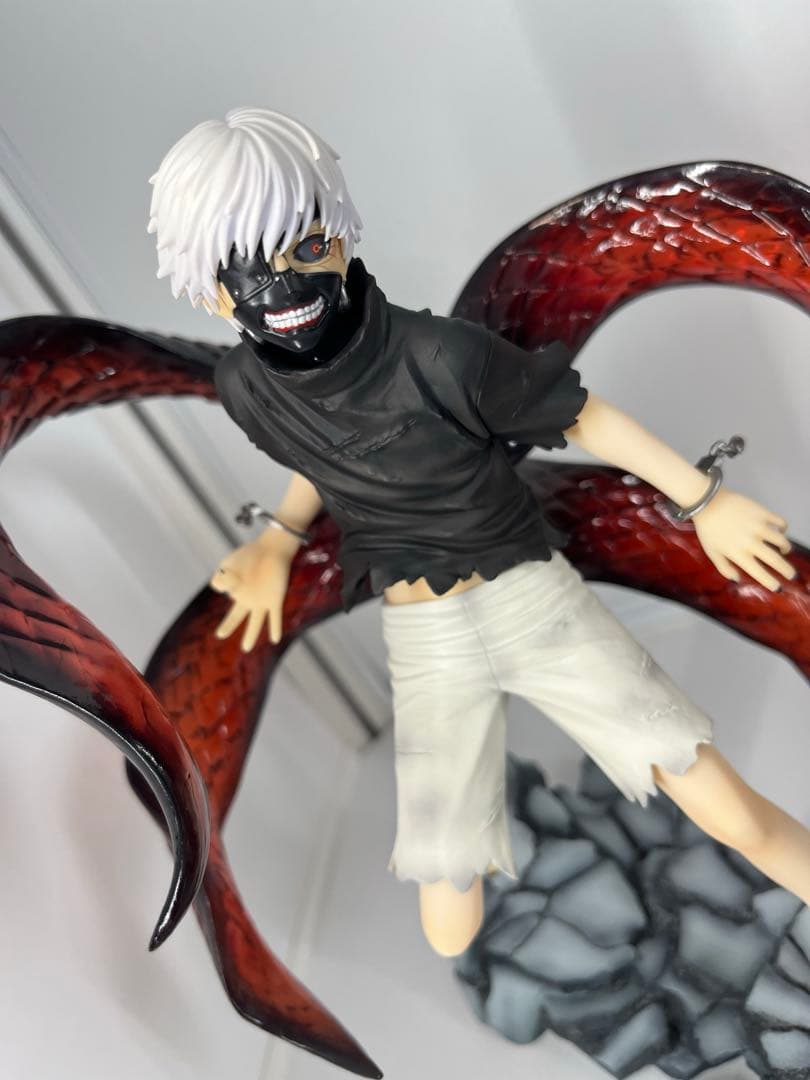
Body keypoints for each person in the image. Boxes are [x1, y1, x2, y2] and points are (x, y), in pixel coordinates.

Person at [149, 107, 805, 957]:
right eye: (248, 266)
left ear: (339, 237)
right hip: (426, 642)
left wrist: (703, 501)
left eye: (306, 245)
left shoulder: (441, 355)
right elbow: (319, 453)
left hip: (533, 603)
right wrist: (277, 542)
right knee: (448, 924)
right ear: (209, 287)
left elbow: (583, 416)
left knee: (728, 809)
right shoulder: (248, 387)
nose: (287, 283)